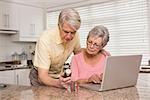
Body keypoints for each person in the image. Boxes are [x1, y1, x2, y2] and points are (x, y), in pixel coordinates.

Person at [29, 8, 81, 88]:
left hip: (58, 75)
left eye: (73, 32)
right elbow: (43, 77)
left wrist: (98, 51)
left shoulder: (75, 36)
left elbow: (79, 54)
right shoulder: (45, 39)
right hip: (40, 77)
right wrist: (59, 83)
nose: (69, 36)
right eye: (66, 32)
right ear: (59, 25)